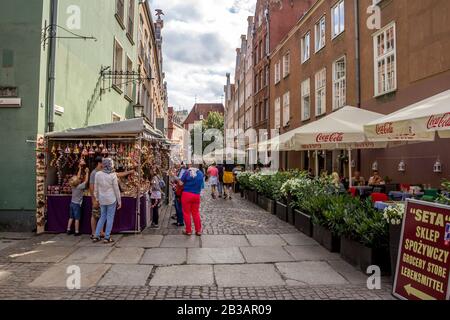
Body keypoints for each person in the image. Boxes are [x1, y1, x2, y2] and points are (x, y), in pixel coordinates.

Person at [93, 158, 121, 243]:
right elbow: (116, 189)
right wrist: (119, 201)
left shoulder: (98, 174)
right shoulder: (112, 175)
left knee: (102, 217)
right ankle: (107, 237)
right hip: (111, 199)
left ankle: (96, 235)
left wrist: (97, 198)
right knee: (109, 218)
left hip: (102, 199)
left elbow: (96, 188)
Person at [180, 165, 204, 236]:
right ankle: (198, 230)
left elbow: (181, 183)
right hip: (196, 195)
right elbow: (201, 185)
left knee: (186, 213)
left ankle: (188, 230)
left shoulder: (187, 172)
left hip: (187, 194)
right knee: (196, 213)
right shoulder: (200, 173)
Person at [67, 165, 89, 236]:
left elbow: (77, 176)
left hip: (72, 203)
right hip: (77, 205)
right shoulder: (80, 187)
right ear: (78, 181)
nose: (79, 178)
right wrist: (87, 172)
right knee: (77, 218)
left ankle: (68, 229)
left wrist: (79, 168)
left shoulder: (73, 186)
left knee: (71, 217)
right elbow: (86, 181)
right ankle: (77, 231)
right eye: (79, 179)